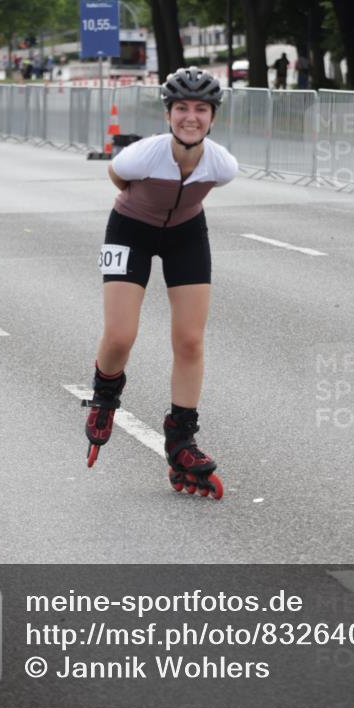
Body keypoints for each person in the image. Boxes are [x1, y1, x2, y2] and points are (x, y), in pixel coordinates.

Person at [84, 66, 238, 500]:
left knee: (190, 340)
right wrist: (140, 204)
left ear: (213, 117)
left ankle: (182, 439)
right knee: (120, 335)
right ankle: (105, 396)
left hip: (187, 234)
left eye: (201, 109)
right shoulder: (143, 154)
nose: (191, 117)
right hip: (130, 228)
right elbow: (117, 175)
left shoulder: (222, 165)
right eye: (182, 108)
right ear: (167, 114)